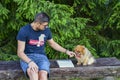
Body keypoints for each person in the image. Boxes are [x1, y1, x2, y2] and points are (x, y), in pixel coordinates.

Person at [16, 12, 75, 80]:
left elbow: (52, 43)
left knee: (43, 74)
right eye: (44, 25)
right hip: (27, 57)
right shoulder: (24, 31)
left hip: (41, 57)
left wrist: (66, 51)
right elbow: (20, 52)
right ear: (38, 23)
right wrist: (30, 62)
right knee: (33, 72)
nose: (46, 27)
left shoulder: (46, 30)